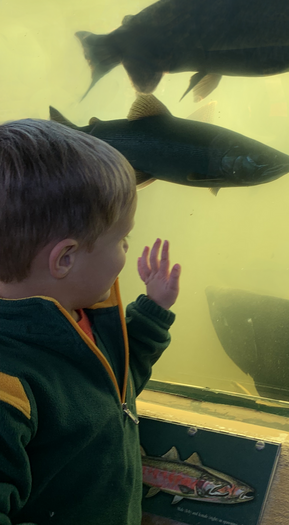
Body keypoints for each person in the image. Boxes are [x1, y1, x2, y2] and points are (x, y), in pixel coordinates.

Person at [0, 119, 181, 525]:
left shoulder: (79, 319)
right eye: (122, 239)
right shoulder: (7, 379)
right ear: (65, 258)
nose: (125, 253)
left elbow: (115, 386)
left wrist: (152, 313)